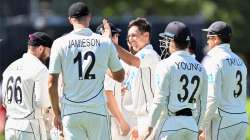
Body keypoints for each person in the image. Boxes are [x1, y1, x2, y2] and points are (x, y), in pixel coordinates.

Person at [48, 2, 124, 140]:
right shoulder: (105, 42)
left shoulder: (59, 43)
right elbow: (120, 76)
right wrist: (102, 68)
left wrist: (56, 113)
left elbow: (51, 83)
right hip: (97, 110)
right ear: (89, 17)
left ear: (70, 19)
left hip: (71, 112)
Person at [143, 21, 208, 140]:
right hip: (191, 124)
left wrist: (150, 126)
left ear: (172, 41)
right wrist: (197, 127)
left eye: (167, 40)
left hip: (170, 123)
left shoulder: (165, 64)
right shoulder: (201, 67)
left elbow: (160, 99)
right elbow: (203, 104)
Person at [109, 17, 160, 138]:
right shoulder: (137, 56)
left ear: (146, 36)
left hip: (150, 118)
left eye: (134, 35)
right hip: (140, 119)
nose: (130, 39)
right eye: (129, 36)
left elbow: (133, 61)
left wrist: (110, 43)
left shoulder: (149, 54)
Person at [200, 21, 248, 140]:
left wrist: (201, 126)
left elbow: (212, 98)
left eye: (209, 38)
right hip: (241, 119)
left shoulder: (212, 59)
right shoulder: (240, 61)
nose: (207, 41)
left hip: (222, 121)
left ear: (216, 39)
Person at [1, 32, 53, 140]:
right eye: (48, 51)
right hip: (30, 126)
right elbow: (43, 102)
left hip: (10, 125)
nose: (49, 55)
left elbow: (4, 101)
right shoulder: (40, 69)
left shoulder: (9, 68)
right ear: (41, 49)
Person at [96, 22, 131, 139]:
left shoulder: (98, 59)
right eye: (112, 35)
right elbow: (108, 94)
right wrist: (121, 121)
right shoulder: (106, 60)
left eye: (116, 36)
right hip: (110, 120)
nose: (116, 38)